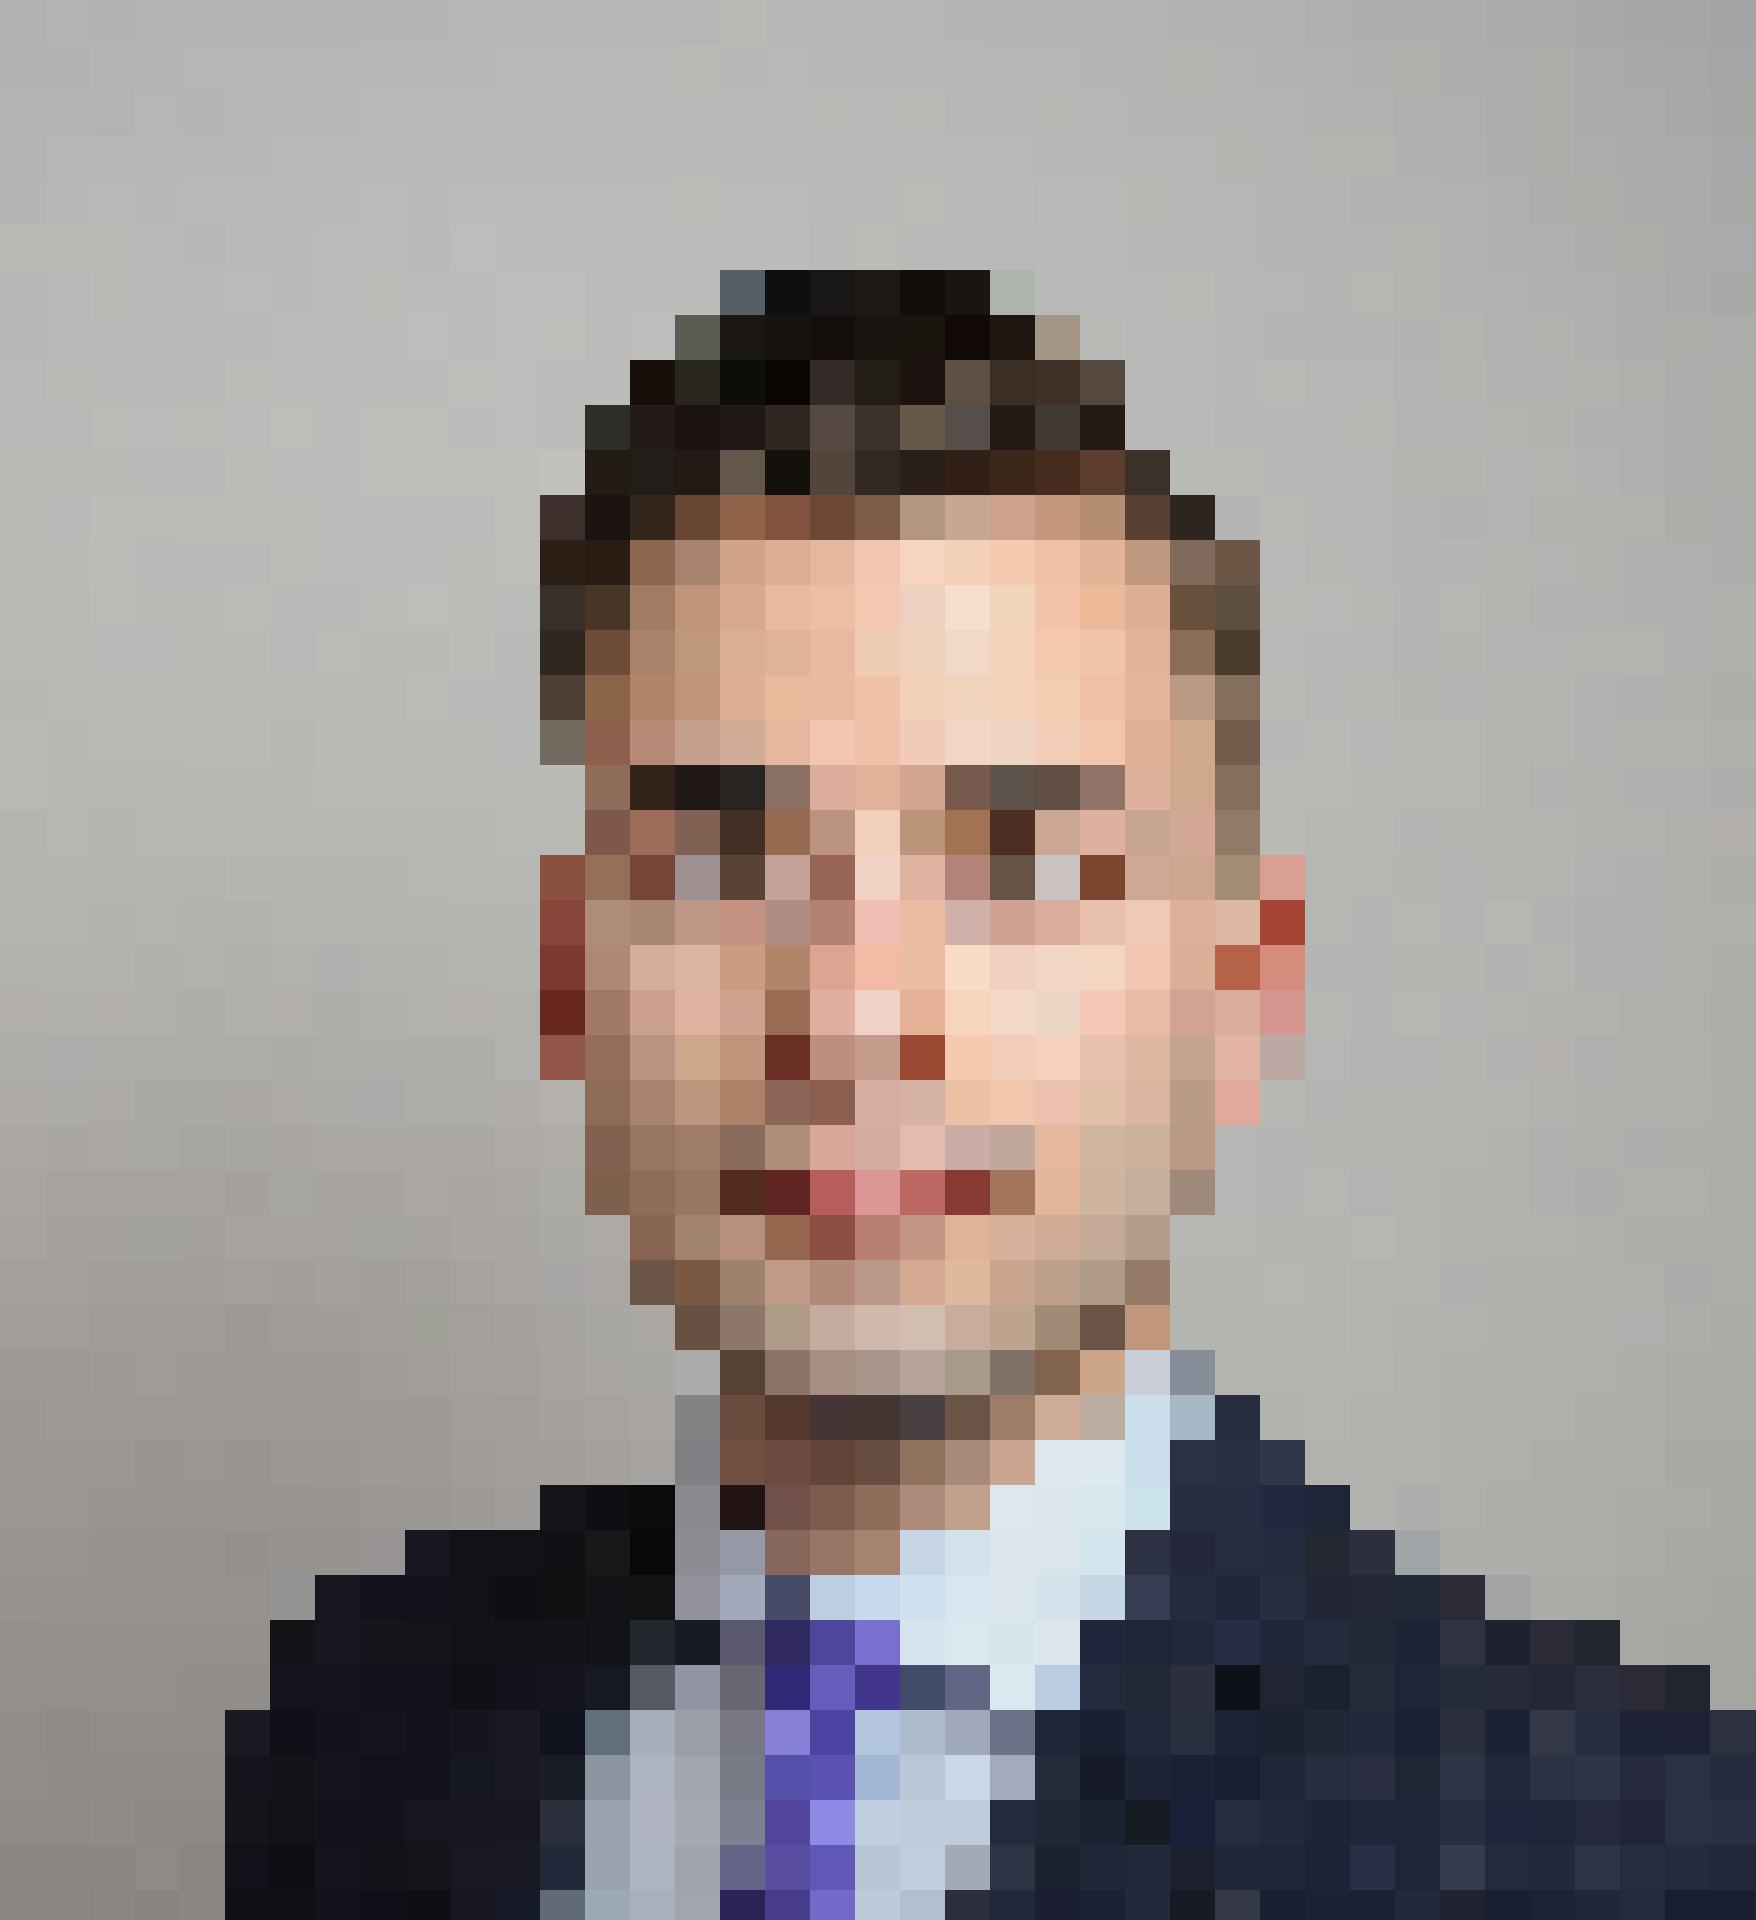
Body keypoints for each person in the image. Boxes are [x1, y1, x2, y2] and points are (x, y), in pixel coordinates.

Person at [226, 269, 1755, 1917]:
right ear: (567, 982)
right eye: (719, 862)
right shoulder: (357, 1732)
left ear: (1241, 996)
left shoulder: (1638, 1852)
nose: (854, 1016)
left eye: (1021, 862)